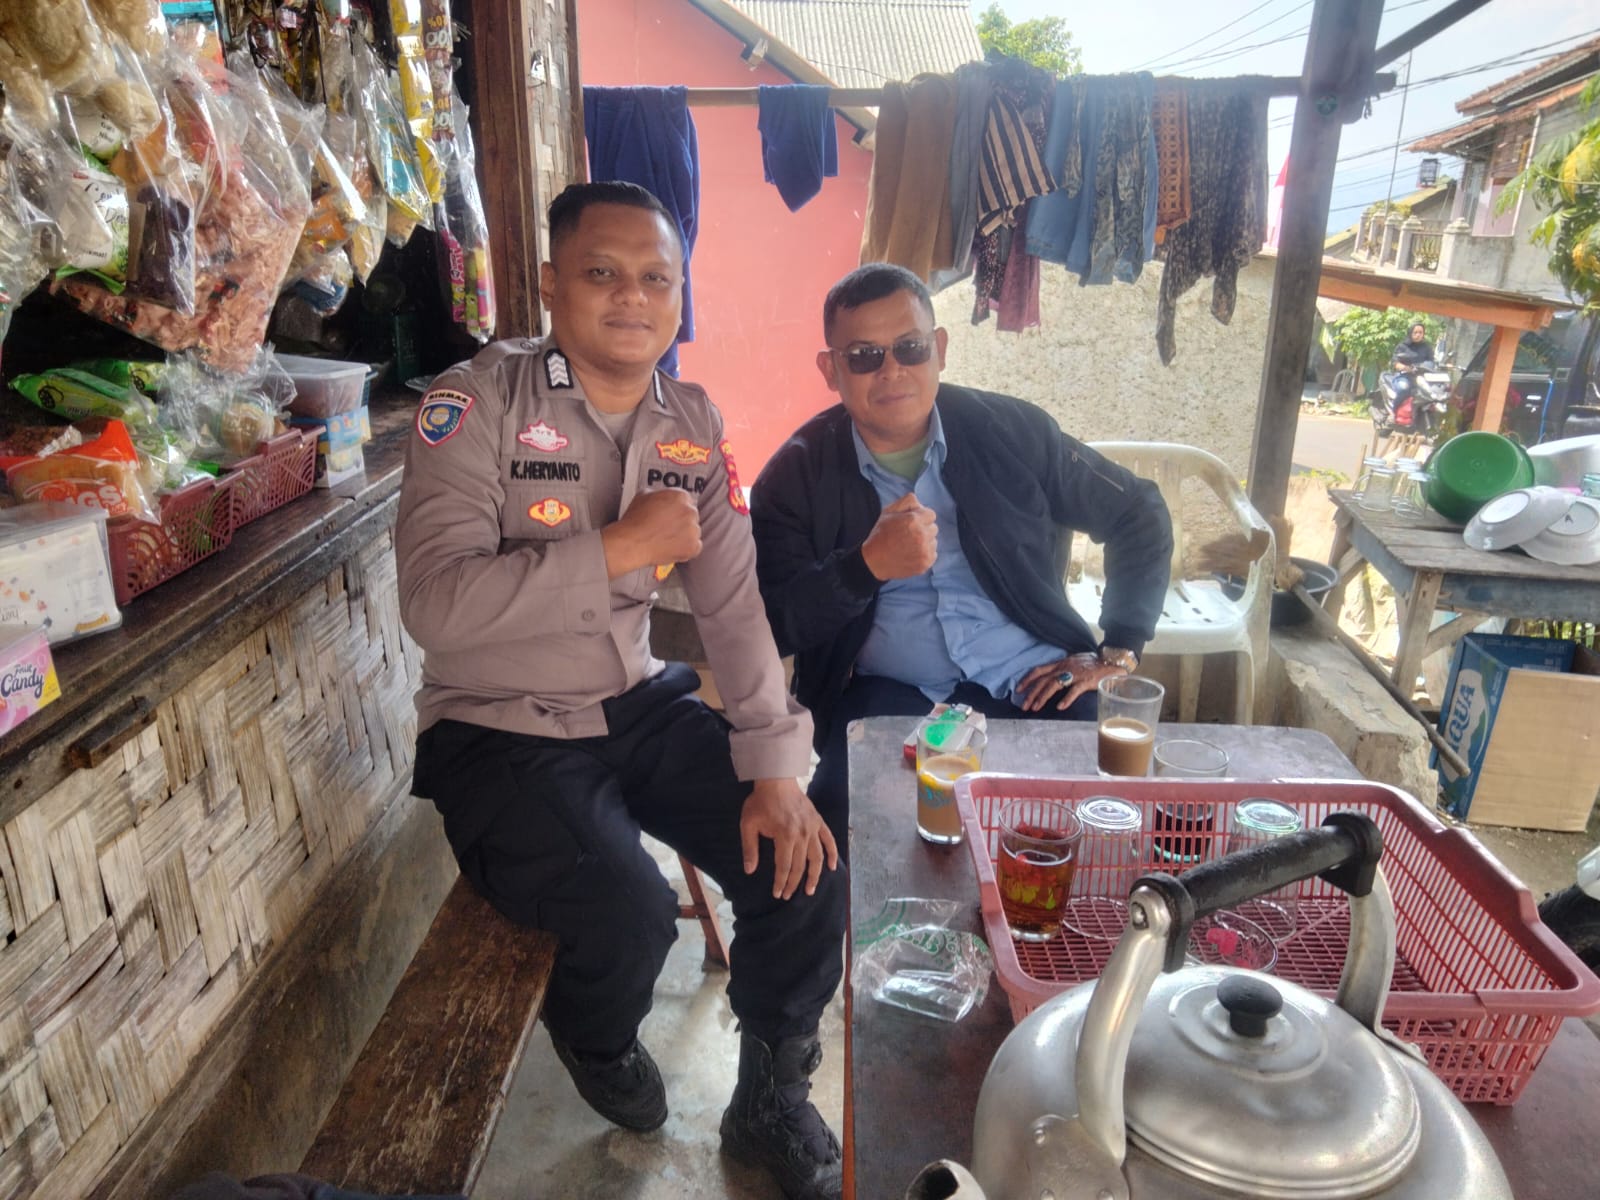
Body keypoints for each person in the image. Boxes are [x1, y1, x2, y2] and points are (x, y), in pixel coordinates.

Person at [395, 181, 845, 1200]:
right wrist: (615, 549)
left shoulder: (690, 424)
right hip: (497, 726)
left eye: (656, 277)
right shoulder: (473, 404)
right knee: (629, 912)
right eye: (602, 272)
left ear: (680, 295)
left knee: (805, 863)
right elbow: (434, 605)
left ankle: (771, 1096)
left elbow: (732, 606)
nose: (632, 297)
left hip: (633, 702)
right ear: (551, 284)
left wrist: (775, 765)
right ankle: (596, 1041)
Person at [751, 263, 1173, 838]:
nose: (892, 371)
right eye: (864, 356)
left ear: (941, 350)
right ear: (831, 370)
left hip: (1035, 680)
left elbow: (1137, 511)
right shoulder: (794, 478)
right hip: (888, 695)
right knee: (839, 848)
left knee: (1102, 833)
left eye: (910, 348)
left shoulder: (1012, 432)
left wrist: (1118, 652)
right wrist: (863, 569)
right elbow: (773, 624)